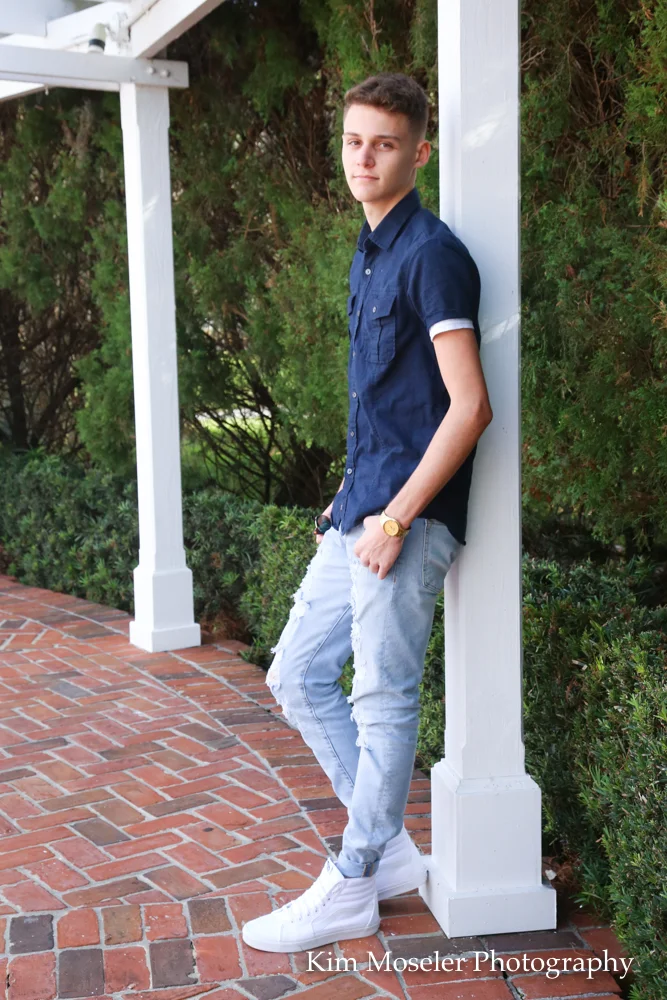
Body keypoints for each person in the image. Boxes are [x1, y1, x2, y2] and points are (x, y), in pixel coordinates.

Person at [242, 72, 493, 954]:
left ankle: (352, 879)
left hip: (404, 523)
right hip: (362, 506)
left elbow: (468, 407)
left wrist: (394, 519)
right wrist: (351, 497)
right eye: (353, 141)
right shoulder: (371, 250)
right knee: (294, 675)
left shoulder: (431, 254)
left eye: (383, 144)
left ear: (418, 152)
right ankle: (384, 855)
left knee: (382, 698)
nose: (364, 158)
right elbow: (389, 403)